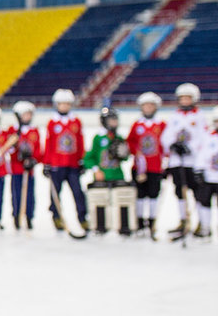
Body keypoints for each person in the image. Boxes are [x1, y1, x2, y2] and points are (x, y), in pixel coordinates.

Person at [162, 82, 207, 238]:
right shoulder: (174, 116)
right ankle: (183, 220)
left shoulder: (199, 116)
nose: (185, 101)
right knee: (179, 192)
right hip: (177, 161)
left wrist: (190, 148)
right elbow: (166, 136)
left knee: (197, 192)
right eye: (183, 98)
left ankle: (201, 222)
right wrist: (172, 145)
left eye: (188, 98)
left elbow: (203, 138)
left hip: (193, 162)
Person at [83, 106, 135, 235]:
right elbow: (88, 158)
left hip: (118, 174)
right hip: (103, 175)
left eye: (115, 120)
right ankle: (100, 226)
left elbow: (126, 157)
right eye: (111, 120)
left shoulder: (119, 137)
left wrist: (124, 153)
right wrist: (96, 170)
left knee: (123, 199)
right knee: (100, 200)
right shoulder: (98, 138)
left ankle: (124, 226)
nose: (114, 123)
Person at [43, 88, 88, 233]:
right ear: (57, 105)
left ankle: (82, 218)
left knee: (78, 193)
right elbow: (49, 144)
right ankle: (57, 217)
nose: (64, 106)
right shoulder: (52, 122)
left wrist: (82, 160)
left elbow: (80, 141)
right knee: (55, 193)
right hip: (57, 165)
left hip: (73, 164)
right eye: (62, 104)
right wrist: (47, 163)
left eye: (67, 104)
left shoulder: (76, 121)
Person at [127, 92, 167, 238]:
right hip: (139, 168)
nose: (148, 108)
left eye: (151, 105)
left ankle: (151, 222)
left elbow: (165, 145)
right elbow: (130, 142)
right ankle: (139, 222)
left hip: (155, 168)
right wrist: (135, 152)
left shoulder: (161, 124)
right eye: (146, 105)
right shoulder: (137, 125)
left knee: (153, 195)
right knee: (140, 195)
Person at [8, 101, 41, 231]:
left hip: (29, 170)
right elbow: (8, 149)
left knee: (30, 194)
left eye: (29, 114)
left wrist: (33, 160)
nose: (27, 117)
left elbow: (38, 149)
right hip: (16, 169)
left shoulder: (34, 130)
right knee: (16, 194)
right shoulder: (13, 130)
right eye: (24, 114)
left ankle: (29, 216)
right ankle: (17, 215)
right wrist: (15, 148)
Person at [193, 106, 218, 239]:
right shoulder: (208, 137)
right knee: (204, 202)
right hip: (209, 177)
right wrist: (199, 170)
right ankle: (205, 227)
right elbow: (201, 155)